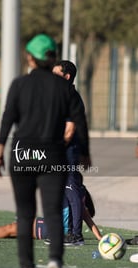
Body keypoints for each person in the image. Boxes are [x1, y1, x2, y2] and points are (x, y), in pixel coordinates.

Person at [0, 34, 91, 268]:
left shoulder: (20, 84)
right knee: (53, 211)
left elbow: (8, 118)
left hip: (24, 153)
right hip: (53, 153)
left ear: (30, 57)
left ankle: (27, 267)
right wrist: (86, 153)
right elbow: (80, 119)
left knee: (25, 213)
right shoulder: (65, 88)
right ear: (52, 57)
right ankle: (55, 261)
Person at [52, 60, 90, 246]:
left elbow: (70, 130)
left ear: (66, 77)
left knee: (72, 190)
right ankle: (67, 232)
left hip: (68, 151)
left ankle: (76, 235)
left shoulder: (70, 96)